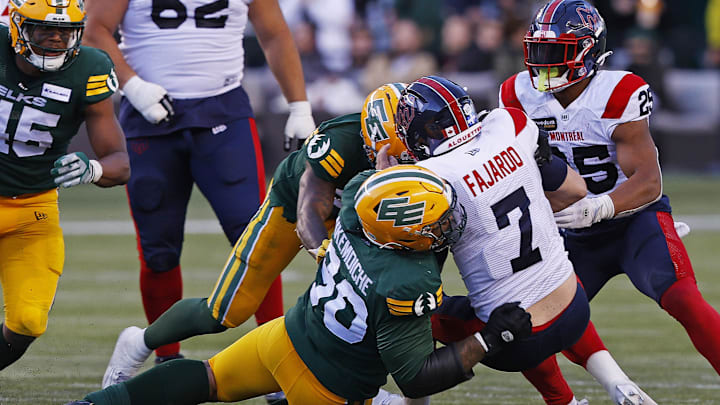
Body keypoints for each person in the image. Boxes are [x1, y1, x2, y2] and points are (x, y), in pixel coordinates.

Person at [66, 165, 533, 405]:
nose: (449, 223)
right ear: (405, 235)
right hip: (327, 389)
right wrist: (488, 341)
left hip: (285, 336)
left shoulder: (356, 206)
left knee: (206, 379)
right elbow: (415, 376)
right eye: (439, 221)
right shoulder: (408, 279)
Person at [99, 84, 415, 391]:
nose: (418, 151)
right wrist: (329, 256)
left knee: (376, 300)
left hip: (355, 216)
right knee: (225, 311)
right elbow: (308, 214)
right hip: (296, 209)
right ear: (375, 140)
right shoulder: (339, 142)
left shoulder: (421, 147)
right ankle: (139, 342)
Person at [500, 0, 720, 395]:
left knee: (683, 299)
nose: (543, 64)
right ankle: (601, 392)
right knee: (548, 323)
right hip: (572, 234)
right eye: (538, 51)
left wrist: (601, 206)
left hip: (635, 219)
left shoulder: (619, 92)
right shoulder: (516, 95)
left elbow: (649, 181)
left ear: (587, 52)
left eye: (556, 53)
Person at [83, 0, 317, 369]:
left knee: (259, 241)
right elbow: (94, 29)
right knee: (158, 250)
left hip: (223, 114)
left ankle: (279, 362)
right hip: (150, 117)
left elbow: (273, 33)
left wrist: (299, 106)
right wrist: (135, 86)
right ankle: (167, 359)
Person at [394, 75, 655, 405]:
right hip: (576, 307)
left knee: (415, 311)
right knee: (539, 280)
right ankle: (613, 382)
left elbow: (413, 256)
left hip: (514, 342)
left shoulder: (428, 178)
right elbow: (575, 190)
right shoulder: (509, 124)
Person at [0, 0, 129, 370]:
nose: (56, 40)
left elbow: (120, 163)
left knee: (27, 321)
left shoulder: (89, 67)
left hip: (31, 210)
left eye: (65, 31)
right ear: (16, 26)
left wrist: (92, 170)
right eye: (44, 29)